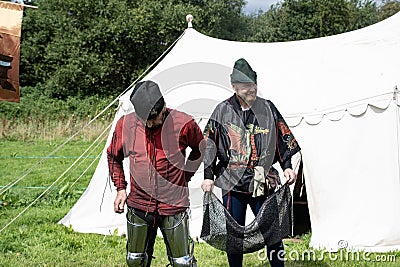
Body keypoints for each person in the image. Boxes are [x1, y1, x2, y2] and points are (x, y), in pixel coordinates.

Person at [201, 58, 301, 267]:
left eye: (253, 84)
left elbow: (282, 137)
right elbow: (209, 144)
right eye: (246, 86)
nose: (251, 89)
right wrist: (208, 177)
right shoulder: (222, 111)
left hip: (262, 180)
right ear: (234, 86)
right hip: (232, 183)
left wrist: (287, 166)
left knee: (272, 232)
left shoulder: (267, 108)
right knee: (234, 234)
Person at [107, 80, 204, 267]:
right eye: (146, 120)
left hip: (173, 206)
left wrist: (185, 176)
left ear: (164, 106)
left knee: (182, 263)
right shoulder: (125, 125)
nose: (151, 124)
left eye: (155, 118)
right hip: (139, 205)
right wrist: (120, 188)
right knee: (135, 261)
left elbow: (200, 148)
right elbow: (113, 156)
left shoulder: (183, 123)